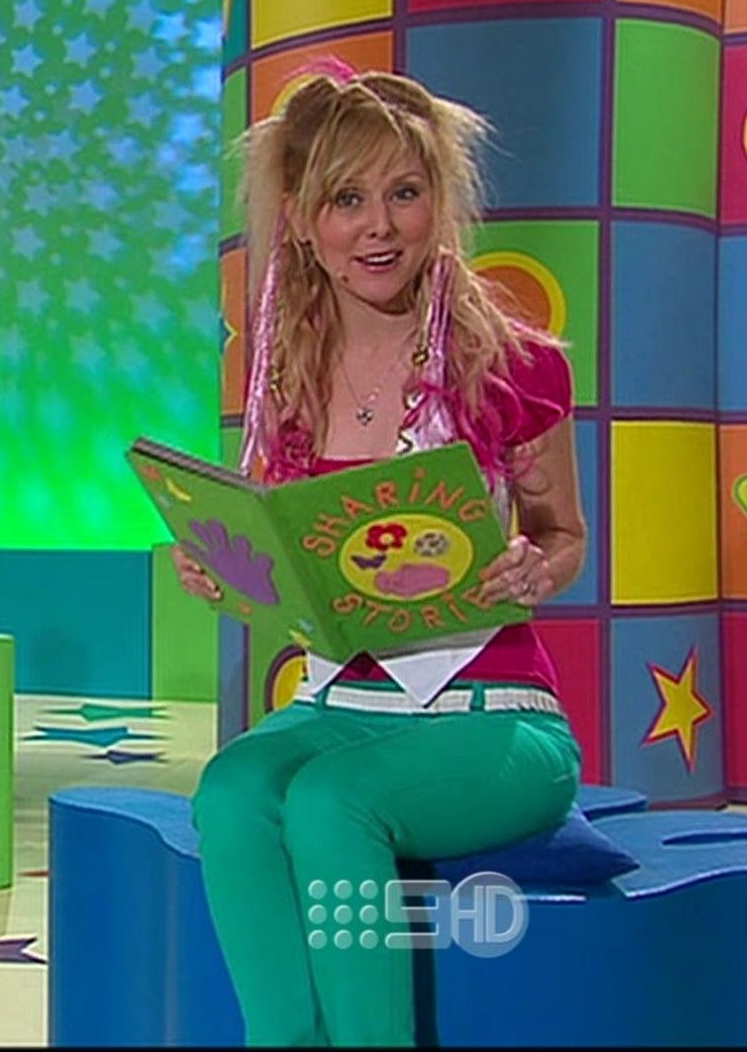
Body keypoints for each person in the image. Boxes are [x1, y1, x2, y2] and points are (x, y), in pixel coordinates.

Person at [175, 66, 588, 1046]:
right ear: (301, 221)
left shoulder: (514, 363)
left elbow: (561, 535)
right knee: (230, 790)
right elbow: (293, 565)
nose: (378, 227)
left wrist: (536, 566)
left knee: (330, 802)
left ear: (437, 202)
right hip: (341, 703)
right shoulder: (282, 376)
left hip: (495, 716)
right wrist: (225, 570)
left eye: (403, 192)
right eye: (346, 199)